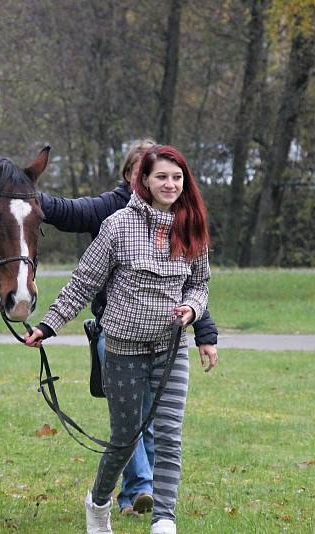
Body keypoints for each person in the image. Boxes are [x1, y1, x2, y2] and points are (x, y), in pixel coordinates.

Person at [26, 145, 215, 534]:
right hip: (123, 351)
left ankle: (164, 519)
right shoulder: (118, 225)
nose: (170, 184)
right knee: (124, 440)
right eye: (162, 176)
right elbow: (83, 284)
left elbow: (200, 284)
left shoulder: (191, 226)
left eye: (177, 177)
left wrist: (193, 311)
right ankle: (97, 504)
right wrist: (48, 326)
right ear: (144, 179)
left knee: (168, 436)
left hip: (171, 348)